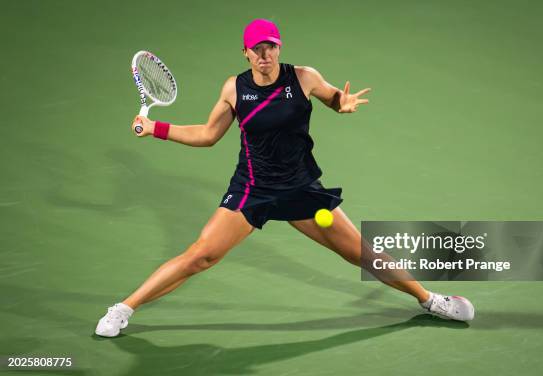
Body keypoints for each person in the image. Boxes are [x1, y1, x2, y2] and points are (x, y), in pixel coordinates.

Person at [95, 19, 474, 337]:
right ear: (245, 52)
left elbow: (332, 98)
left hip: (300, 188)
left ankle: (429, 300)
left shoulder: (304, 78)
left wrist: (344, 104)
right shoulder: (234, 89)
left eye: (271, 47)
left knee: (363, 254)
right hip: (252, 190)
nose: (265, 55)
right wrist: (156, 127)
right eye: (256, 49)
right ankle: (123, 308)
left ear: (279, 48)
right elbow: (208, 135)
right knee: (200, 256)